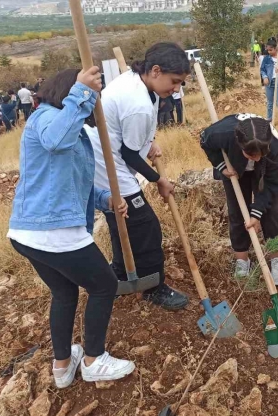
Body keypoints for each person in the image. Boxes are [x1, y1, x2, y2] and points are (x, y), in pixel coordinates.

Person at [7, 67, 135, 389]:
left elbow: (73, 185)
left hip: (30, 233)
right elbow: (55, 141)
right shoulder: (46, 118)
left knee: (64, 291)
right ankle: (93, 360)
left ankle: (63, 368)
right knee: (105, 284)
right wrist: (82, 91)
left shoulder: (73, 131)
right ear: (71, 91)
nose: (93, 106)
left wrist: (105, 200)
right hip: (52, 231)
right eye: (93, 98)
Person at [86, 42, 190, 310]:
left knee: (121, 222)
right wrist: (160, 181)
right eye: (175, 81)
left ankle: (119, 276)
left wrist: (148, 141)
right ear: (156, 70)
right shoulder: (138, 103)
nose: (176, 89)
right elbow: (130, 155)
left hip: (105, 157)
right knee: (146, 227)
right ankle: (154, 288)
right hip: (109, 166)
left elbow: (132, 136)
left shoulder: (137, 80)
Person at [200, 114, 278, 285]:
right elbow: (205, 141)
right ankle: (242, 259)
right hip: (233, 167)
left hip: (265, 172)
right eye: (250, 154)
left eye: (258, 155)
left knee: (271, 213)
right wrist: (221, 165)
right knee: (237, 211)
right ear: (240, 145)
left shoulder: (274, 149)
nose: (255, 158)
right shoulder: (221, 133)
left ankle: (276, 257)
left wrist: (256, 215)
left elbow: (271, 185)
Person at [260, 39, 278, 127]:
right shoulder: (266, 59)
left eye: (270, 50)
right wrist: (264, 77)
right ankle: (269, 120)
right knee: (270, 103)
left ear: (276, 49)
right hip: (269, 83)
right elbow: (262, 69)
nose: (269, 52)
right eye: (267, 50)